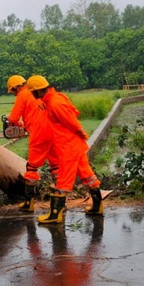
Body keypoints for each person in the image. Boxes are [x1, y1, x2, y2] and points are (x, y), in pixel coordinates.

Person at [26, 75, 103, 223]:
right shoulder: (50, 100)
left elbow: (71, 121)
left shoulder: (55, 103)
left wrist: (81, 132)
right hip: (73, 146)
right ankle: (97, 207)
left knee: (63, 180)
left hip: (69, 146)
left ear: (36, 91)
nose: (31, 95)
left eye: (32, 92)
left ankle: (55, 215)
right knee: (88, 175)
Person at [6, 75, 57, 212]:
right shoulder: (37, 92)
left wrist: (10, 120)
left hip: (38, 134)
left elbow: (14, 118)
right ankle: (60, 202)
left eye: (12, 91)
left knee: (32, 169)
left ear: (17, 87)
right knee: (55, 167)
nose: (13, 93)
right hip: (52, 131)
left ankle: (30, 203)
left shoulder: (22, 95)